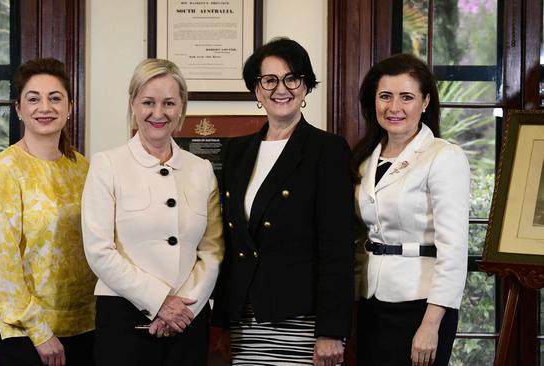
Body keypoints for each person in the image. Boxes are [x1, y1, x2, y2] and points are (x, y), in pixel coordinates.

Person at [211, 37, 355, 366]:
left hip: (302, 320)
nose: (282, 88)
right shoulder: (237, 151)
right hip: (244, 321)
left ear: (305, 87)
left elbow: (337, 248)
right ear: (256, 90)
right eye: (269, 80)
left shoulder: (327, 150)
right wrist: (221, 321)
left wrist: (332, 331)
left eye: (292, 78)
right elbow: (230, 247)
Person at [81, 58, 224, 365]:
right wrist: (159, 302)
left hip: (188, 317)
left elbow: (212, 250)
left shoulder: (201, 170)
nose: (158, 113)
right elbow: (99, 251)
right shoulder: (107, 165)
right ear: (133, 104)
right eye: (148, 102)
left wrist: (183, 309)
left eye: (169, 103)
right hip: (124, 318)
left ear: (181, 107)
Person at [352, 53, 470, 366]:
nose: (394, 108)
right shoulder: (363, 158)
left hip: (422, 303)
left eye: (407, 97)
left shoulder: (444, 156)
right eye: (385, 96)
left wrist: (432, 324)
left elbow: (454, 248)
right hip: (369, 299)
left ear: (426, 101)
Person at [0, 58, 96, 366]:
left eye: (55, 98)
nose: (46, 107)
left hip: (84, 326)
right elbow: (0, 267)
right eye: (34, 99)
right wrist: (40, 332)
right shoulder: (6, 170)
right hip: (23, 333)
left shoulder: (83, 168)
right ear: (19, 109)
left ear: (70, 106)